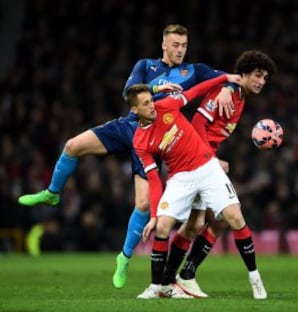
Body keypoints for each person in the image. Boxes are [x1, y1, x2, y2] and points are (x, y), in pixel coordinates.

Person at [17, 24, 236, 288]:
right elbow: (129, 93)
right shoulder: (146, 66)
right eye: (175, 45)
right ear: (164, 45)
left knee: (143, 204)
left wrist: (227, 88)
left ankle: (123, 258)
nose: (180, 50)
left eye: (184, 45)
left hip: (154, 139)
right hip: (128, 126)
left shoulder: (194, 71)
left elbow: (232, 78)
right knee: (73, 145)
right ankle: (52, 193)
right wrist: (160, 90)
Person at [126, 73, 263, 299]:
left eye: (151, 100)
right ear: (134, 111)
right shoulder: (140, 143)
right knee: (162, 226)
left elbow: (196, 92)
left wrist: (225, 79)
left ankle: (254, 278)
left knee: (233, 218)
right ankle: (158, 286)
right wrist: (153, 215)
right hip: (180, 178)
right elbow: (153, 180)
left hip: (206, 167)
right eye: (146, 104)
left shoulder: (166, 106)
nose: (152, 106)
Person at [167, 50, 277, 299]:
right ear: (244, 74)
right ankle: (255, 279)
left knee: (203, 223)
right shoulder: (225, 92)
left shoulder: (238, 95)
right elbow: (197, 123)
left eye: (265, 78)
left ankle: (179, 277)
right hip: (198, 161)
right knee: (232, 216)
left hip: (199, 160)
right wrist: (211, 158)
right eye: (257, 75)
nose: (261, 81)